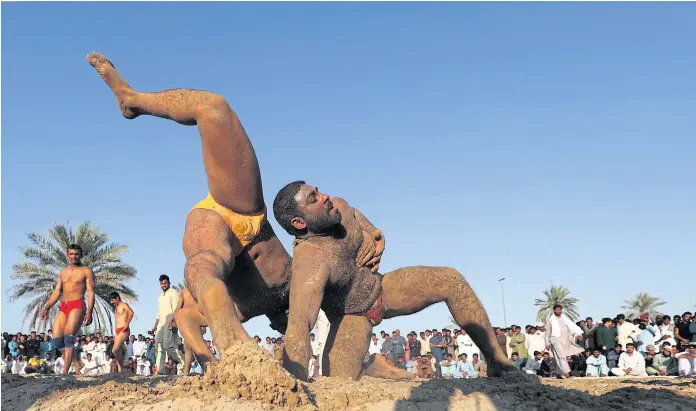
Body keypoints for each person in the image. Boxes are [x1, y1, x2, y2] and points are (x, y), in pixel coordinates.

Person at [87, 52, 301, 375]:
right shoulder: (297, 276)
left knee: (206, 266)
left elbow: (185, 317)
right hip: (245, 212)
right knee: (213, 107)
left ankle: (229, 348)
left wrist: (206, 359)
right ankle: (132, 99)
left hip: (214, 225)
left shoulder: (246, 309)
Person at [273, 182, 515, 381]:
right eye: (313, 198)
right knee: (339, 381)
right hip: (351, 316)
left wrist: (374, 236)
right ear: (299, 223)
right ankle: (372, 366)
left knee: (450, 279)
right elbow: (299, 324)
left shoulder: (340, 207)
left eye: (319, 190)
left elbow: (366, 225)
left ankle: (497, 360)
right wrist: (294, 384)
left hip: (385, 289)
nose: (324, 196)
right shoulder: (309, 262)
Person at [40, 244, 95, 375]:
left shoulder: (86, 271)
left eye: (76, 254)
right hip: (64, 306)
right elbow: (57, 291)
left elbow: (91, 292)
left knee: (68, 336)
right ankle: (77, 363)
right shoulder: (63, 272)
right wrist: (46, 307)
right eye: (71, 254)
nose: (74, 256)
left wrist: (89, 311)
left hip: (78, 304)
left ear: (81, 255)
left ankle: (64, 372)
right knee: (57, 339)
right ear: (67, 255)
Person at [544, 304, 584, 379]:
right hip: (555, 339)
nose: (558, 311)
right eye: (557, 309)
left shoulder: (565, 319)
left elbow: (571, 327)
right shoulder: (550, 320)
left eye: (559, 309)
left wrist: (578, 333)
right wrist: (547, 342)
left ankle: (558, 373)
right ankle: (567, 372)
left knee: (559, 356)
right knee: (561, 356)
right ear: (554, 310)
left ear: (561, 310)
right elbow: (547, 332)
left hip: (565, 339)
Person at [110, 292, 134, 372]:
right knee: (118, 350)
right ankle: (121, 368)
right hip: (117, 330)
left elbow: (131, 312)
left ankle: (122, 366)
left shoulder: (124, 304)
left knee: (114, 350)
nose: (112, 302)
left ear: (117, 298)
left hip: (124, 329)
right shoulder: (116, 308)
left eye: (113, 300)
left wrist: (127, 324)